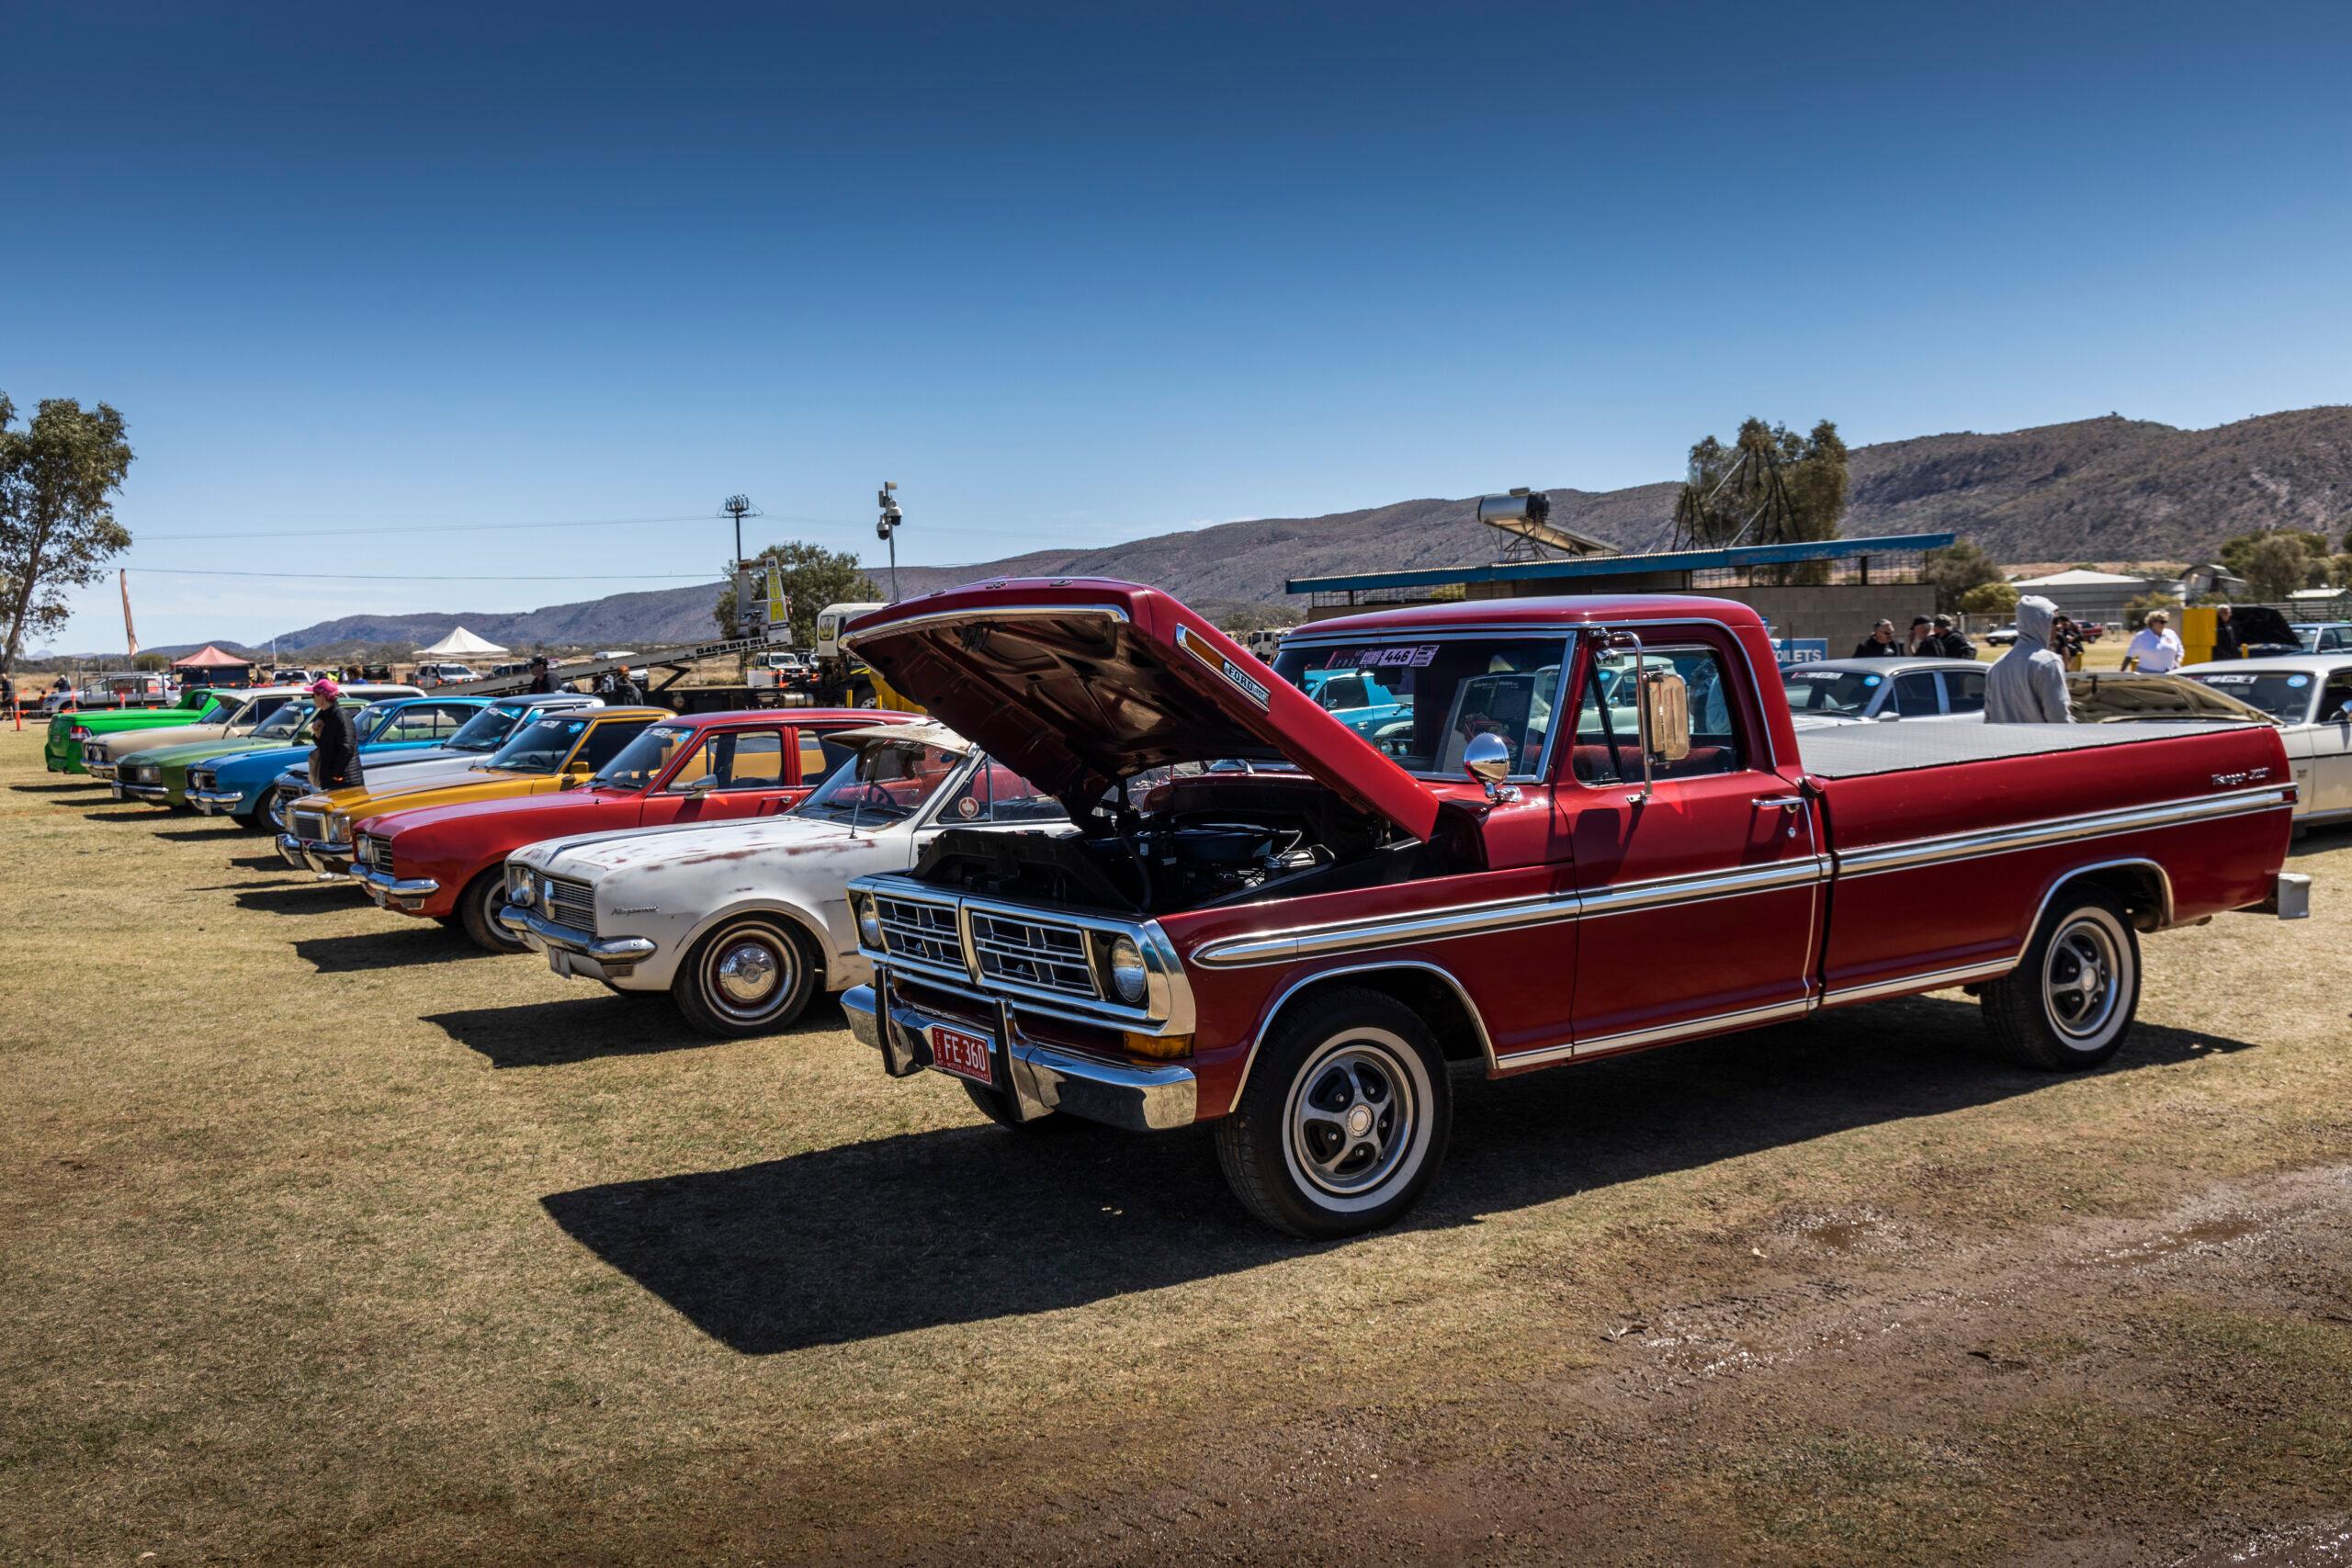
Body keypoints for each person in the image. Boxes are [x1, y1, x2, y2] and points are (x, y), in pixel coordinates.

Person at [1984, 595, 2072, 724]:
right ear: (2040, 622)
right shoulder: (2048, 663)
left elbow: (1989, 717)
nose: (2059, 627)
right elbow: (2058, 717)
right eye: (2054, 621)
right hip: (2042, 742)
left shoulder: (1997, 666)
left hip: (2004, 742)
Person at [306, 678, 366, 791]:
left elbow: (347, 747)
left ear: (322, 697)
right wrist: (317, 735)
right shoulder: (325, 716)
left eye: (313, 695)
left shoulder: (341, 715)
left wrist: (334, 774)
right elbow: (328, 747)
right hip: (335, 780)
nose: (312, 698)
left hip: (346, 781)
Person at [2122, 609, 2184, 673]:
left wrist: (2178, 662)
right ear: (2152, 622)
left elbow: (2180, 651)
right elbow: (2129, 656)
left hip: (2170, 674)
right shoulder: (2141, 636)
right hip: (2146, 675)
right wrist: (2121, 673)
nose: (2164, 624)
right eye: (2162, 622)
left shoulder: (2171, 634)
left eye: (2165, 622)